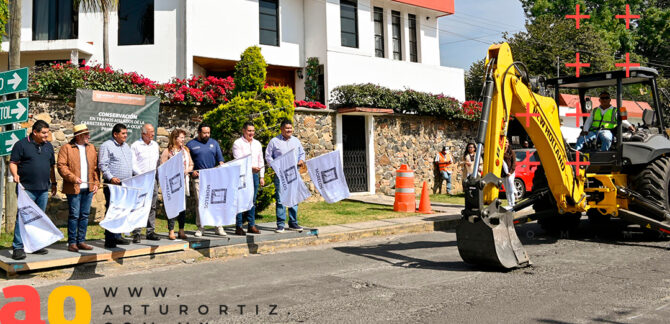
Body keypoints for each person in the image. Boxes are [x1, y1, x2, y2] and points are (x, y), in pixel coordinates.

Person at [9, 120, 57, 260]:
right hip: (26, 189)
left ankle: (35, 245)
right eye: (43, 133)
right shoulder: (21, 145)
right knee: (23, 217)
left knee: (38, 218)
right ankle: (18, 247)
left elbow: (51, 167)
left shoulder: (48, 147)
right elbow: (13, 163)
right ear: (35, 132)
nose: (46, 135)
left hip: (43, 189)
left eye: (47, 132)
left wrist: (53, 183)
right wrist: (15, 174)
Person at [57, 124, 99, 253]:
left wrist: (96, 182)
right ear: (79, 136)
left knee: (85, 215)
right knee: (74, 215)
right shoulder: (66, 148)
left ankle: (81, 241)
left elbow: (95, 168)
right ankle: (72, 242)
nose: (89, 136)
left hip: (88, 187)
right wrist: (73, 178)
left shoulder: (91, 148)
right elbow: (61, 166)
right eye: (86, 134)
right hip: (74, 187)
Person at [265, 119, 306, 233]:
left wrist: (301, 160)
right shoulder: (274, 141)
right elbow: (268, 156)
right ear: (281, 129)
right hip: (281, 175)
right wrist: (274, 166)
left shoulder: (296, 141)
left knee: (293, 197)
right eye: (287, 128)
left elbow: (302, 153)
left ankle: (293, 223)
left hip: (293, 174)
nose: (289, 130)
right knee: (281, 198)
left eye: (290, 128)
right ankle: (280, 224)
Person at [187, 123, 226, 237]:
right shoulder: (191, 145)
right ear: (199, 132)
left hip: (213, 177)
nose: (207, 135)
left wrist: (221, 167)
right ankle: (201, 227)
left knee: (215, 202)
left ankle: (218, 226)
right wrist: (191, 172)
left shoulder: (214, 143)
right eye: (204, 133)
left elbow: (220, 160)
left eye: (208, 133)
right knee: (200, 202)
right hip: (198, 177)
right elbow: (186, 162)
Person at [98, 123, 133, 248]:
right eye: (123, 133)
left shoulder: (126, 147)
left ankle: (118, 235)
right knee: (112, 210)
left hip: (125, 184)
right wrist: (111, 177)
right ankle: (110, 238)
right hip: (113, 184)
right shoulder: (106, 146)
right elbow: (103, 165)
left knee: (122, 210)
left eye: (126, 133)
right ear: (115, 134)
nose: (125, 136)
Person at [160, 129, 194, 240]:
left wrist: (187, 170)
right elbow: (162, 167)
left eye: (184, 138)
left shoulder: (185, 151)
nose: (183, 140)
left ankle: (181, 230)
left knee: (182, 208)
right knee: (172, 207)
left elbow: (191, 164)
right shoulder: (167, 152)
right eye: (181, 137)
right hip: (172, 184)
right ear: (175, 138)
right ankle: (171, 231)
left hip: (183, 183)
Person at [130, 124, 161, 243]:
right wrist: (143, 175)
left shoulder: (155, 145)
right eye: (150, 132)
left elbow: (156, 163)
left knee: (152, 206)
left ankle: (150, 231)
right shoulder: (135, 146)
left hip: (152, 180)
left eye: (153, 131)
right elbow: (133, 164)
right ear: (143, 133)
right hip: (140, 180)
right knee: (139, 206)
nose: (153, 134)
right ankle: (137, 233)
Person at [232, 122, 264, 235]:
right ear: (244, 131)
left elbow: (261, 160)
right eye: (249, 131)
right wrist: (251, 168)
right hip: (242, 175)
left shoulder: (257, 144)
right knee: (240, 199)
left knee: (252, 200)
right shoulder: (238, 143)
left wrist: (262, 176)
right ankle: (239, 226)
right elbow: (239, 161)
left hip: (254, 175)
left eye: (253, 131)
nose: (251, 133)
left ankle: (251, 225)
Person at [502, 140, 517, 208]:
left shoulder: (511, 152)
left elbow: (514, 163)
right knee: (506, 190)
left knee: (510, 188)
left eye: (507, 142)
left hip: (510, 173)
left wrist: (510, 172)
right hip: (503, 173)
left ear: (508, 144)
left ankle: (513, 203)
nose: (505, 143)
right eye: (504, 142)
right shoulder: (501, 152)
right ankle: (509, 203)